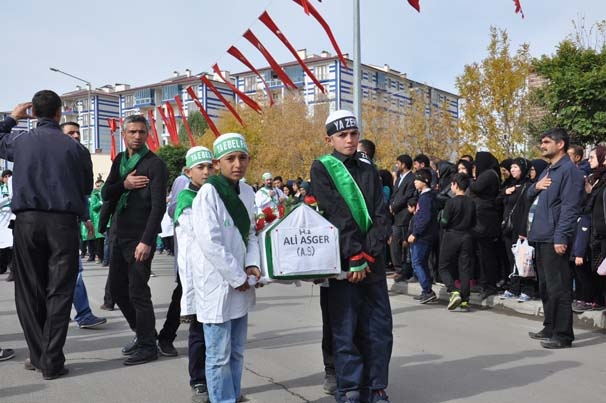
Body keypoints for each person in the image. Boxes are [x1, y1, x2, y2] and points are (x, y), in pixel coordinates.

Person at [0, 90, 93, 380]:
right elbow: (87, 187)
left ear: (34, 114)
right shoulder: (75, 148)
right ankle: (52, 360)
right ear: (59, 113)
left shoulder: (20, 141)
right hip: (63, 223)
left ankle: (39, 356)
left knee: (29, 291)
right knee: (60, 291)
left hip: (27, 222)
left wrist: (11, 118)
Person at [310, 110, 392, 403]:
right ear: (329, 138)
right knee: (345, 329)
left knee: (378, 327)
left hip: (372, 262)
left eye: (353, 134)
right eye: (342, 135)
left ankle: (377, 386)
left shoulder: (370, 168)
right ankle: (350, 389)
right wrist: (354, 253)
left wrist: (368, 254)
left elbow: (382, 214)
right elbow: (336, 214)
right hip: (343, 261)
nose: (349, 140)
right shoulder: (323, 168)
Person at [192, 133, 261, 403]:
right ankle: (222, 399)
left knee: (237, 350)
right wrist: (236, 276)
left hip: (242, 282)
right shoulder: (208, 193)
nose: (237, 164)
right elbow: (211, 242)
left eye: (242, 158)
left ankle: (232, 393)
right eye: (230, 159)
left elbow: (251, 233)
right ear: (217, 163)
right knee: (218, 354)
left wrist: (253, 264)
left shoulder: (247, 191)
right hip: (217, 283)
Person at [101, 114, 169, 365]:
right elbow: (106, 192)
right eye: (132, 132)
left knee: (138, 292)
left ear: (148, 134)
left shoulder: (155, 164)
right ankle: (144, 335)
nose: (137, 136)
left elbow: (158, 208)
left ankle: (148, 347)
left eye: (142, 132)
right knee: (118, 291)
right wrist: (125, 185)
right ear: (124, 134)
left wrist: (147, 241)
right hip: (118, 234)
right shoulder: (119, 160)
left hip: (140, 238)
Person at [527, 128, 584, 349]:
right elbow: (531, 194)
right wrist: (535, 186)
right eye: (542, 142)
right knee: (545, 286)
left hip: (554, 237)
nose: (543, 146)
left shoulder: (570, 171)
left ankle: (563, 334)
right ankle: (549, 326)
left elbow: (570, 208)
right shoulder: (549, 170)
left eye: (546, 142)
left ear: (560, 145)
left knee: (559, 287)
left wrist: (561, 237)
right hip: (540, 235)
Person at [174, 146, 215, 403]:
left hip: (219, 275)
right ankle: (199, 380)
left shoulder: (218, 192)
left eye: (210, 166)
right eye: (201, 168)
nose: (206, 171)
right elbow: (202, 239)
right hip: (198, 273)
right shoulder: (186, 200)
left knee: (220, 336)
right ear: (189, 171)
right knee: (200, 333)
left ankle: (220, 383)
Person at [61, 122, 107, 329]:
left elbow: (83, 193)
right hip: (56, 226)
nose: (77, 135)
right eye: (71, 133)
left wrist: (86, 218)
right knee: (70, 272)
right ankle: (79, 314)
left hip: (70, 223)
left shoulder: (79, 161)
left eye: (78, 132)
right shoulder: (58, 163)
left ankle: (80, 313)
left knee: (73, 271)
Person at [438, 173, 476, 312]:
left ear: (455, 185)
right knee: (464, 268)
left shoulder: (451, 202)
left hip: (451, 235)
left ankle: (453, 291)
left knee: (443, 266)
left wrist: (441, 219)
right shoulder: (471, 202)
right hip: (467, 236)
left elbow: (444, 222)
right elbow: (473, 221)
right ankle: (465, 300)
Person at [407, 168, 439, 304]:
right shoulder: (425, 196)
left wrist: (415, 233)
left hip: (422, 237)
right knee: (422, 263)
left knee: (417, 263)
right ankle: (425, 290)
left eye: (417, 180)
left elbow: (424, 218)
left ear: (425, 181)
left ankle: (427, 291)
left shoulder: (426, 198)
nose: (415, 182)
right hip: (426, 235)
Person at [389, 154, 416, 282]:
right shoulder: (399, 178)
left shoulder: (411, 178)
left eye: (398, 163)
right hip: (396, 215)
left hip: (404, 215)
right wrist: (391, 205)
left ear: (404, 164)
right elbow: (395, 194)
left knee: (404, 244)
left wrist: (395, 206)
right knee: (395, 244)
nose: (396, 166)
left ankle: (404, 271)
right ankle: (398, 269)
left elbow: (407, 195)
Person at [0, 169, 14, 282]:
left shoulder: (14, 187)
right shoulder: (2, 189)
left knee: (11, 246)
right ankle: (2, 267)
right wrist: (8, 199)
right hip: (3, 219)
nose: (7, 179)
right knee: (4, 247)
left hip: (11, 219)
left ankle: (13, 271)